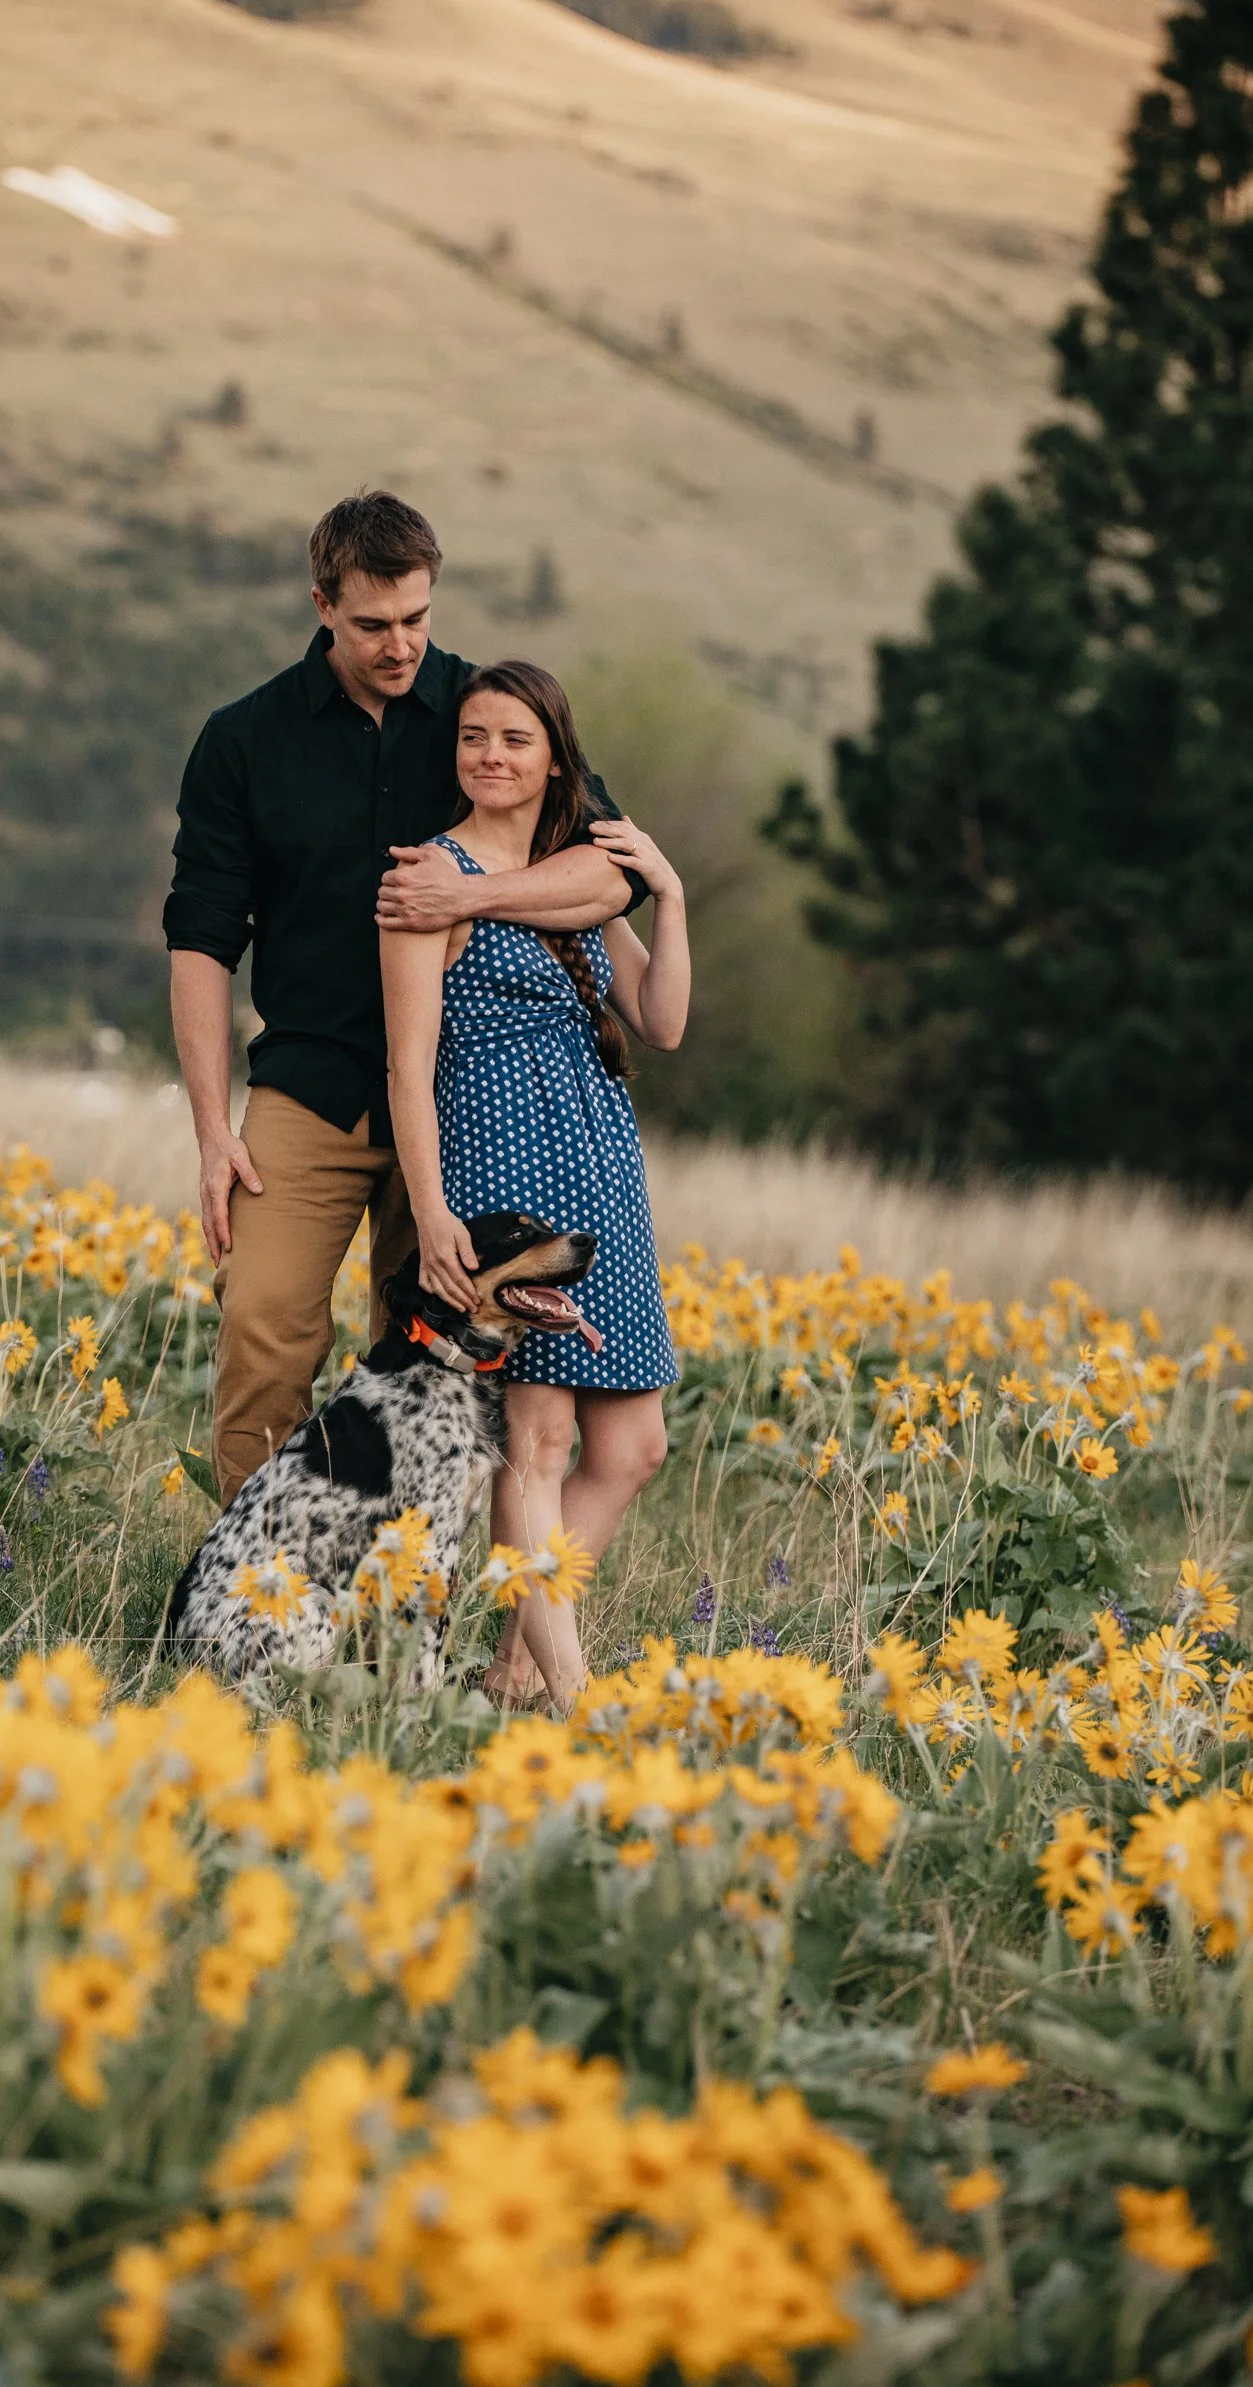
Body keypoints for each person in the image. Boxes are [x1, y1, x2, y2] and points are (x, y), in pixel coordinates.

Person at [165, 492, 643, 1503]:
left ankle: (396, 1615)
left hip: (468, 1100)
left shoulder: (484, 714)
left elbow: (609, 874)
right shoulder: (243, 741)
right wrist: (213, 1131)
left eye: (417, 619)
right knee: (262, 1321)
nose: (400, 645)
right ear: (321, 604)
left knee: (437, 1359)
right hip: (312, 1087)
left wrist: (471, 893)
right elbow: (202, 941)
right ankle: (260, 1597)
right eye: (374, 624)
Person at [381, 661, 690, 1712]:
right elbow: (407, 1067)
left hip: (603, 1164)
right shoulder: (428, 879)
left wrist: (673, 894)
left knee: (633, 1444)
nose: (491, 756)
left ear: (555, 754)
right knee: (541, 1440)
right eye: (474, 737)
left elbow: (663, 1020)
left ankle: (513, 1664)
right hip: (502, 1167)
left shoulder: (579, 880)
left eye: (515, 739)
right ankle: (571, 1693)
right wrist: (431, 1211)